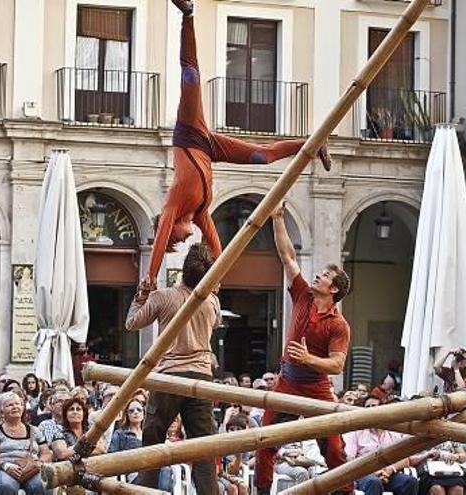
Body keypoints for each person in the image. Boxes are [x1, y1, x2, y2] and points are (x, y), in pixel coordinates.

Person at [143, 0, 331, 288]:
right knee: (263, 157)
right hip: (209, 148)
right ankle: (312, 143)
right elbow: (216, 244)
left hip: (190, 134)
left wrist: (150, 278)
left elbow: (159, 239)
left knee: (190, 77)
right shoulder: (201, 210)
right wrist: (217, 279)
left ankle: (188, 15)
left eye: (176, 241)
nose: (184, 239)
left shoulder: (175, 202)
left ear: (168, 230)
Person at [254, 202, 353, 494]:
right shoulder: (303, 295)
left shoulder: (339, 324)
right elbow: (287, 256)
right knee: (265, 443)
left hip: (317, 388)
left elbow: (337, 365)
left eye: (324, 275)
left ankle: (346, 491)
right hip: (287, 381)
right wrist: (278, 217)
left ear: (333, 289)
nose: (317, 275)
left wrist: (309, 358)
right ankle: (262, 491)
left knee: (334, 451)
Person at [126, 242, 221, 494]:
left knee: (152, 440)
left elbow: (131, 323)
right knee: (203, 448)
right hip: (201, 376)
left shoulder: (165, 296)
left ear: (183, 270)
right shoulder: (212, 301)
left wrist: (141, 297)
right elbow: (215, 323)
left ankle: (144, 492)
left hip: (170, 375)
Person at [343, 397, 421, 495]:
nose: (371, 409)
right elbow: (350, 459)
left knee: (410, 482)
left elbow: (405, 459)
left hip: (388, 473)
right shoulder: (357, 432)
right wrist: (374, 472)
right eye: (367, 407)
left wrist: (390, 470)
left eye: (374, 406)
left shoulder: (393, 432)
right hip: (364, 473)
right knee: (374, 482)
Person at [0, 392, 51, 495]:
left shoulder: (34, 430)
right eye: (10, 405)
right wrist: (6, 466)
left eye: (17, 404)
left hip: (31, 470)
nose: (15, 407)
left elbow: (46, 453)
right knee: (6, 485)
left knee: (43, 484)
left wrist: (39, 463)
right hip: (4, 469)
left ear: (22, 408)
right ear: (1, 412)